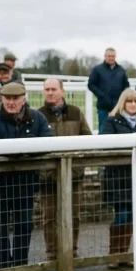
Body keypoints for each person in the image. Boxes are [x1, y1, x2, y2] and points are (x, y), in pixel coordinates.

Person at [0, 83, 53, 271]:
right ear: (2, 98)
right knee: (0, 227)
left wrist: (24, 152)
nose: (11, 102)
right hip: (0, 184)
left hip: (25, 183)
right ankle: (3, 269)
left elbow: (49, 141)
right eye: (7, 98)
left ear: (23, 99)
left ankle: (21, 267)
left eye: (15, 99)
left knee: (24, 225)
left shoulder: (37, 118)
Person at [38, 78, 92, 261]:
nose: (50, 93)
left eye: (53, 89)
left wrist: (79, 166)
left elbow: (87, 139)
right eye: (47, 89)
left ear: (62, 91)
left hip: (73, 175)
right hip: (48, 176)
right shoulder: (39, 115)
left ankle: (71, 252)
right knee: (49, 217)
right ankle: (52, 254)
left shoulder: (76, 113)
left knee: (73, 215)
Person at [101, 89, 136, 270]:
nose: (132, 105)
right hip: (118, 177)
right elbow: (106, 144)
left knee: (132, 215)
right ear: (123, 103)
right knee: (121, 214)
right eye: (129, 101)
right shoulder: (112, 121)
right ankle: (114, 254)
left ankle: (124, 253)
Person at [88, 48, 129, 134]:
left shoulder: (121, 70)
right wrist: (102, 95)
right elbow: (91, 84)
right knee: (103, 129)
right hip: (103, 105)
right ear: (105, 56)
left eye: (113, 56)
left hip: (118, 105)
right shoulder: (97, 69)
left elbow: (126, 86)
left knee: (119, 128)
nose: (111, 58)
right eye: (109, 56)